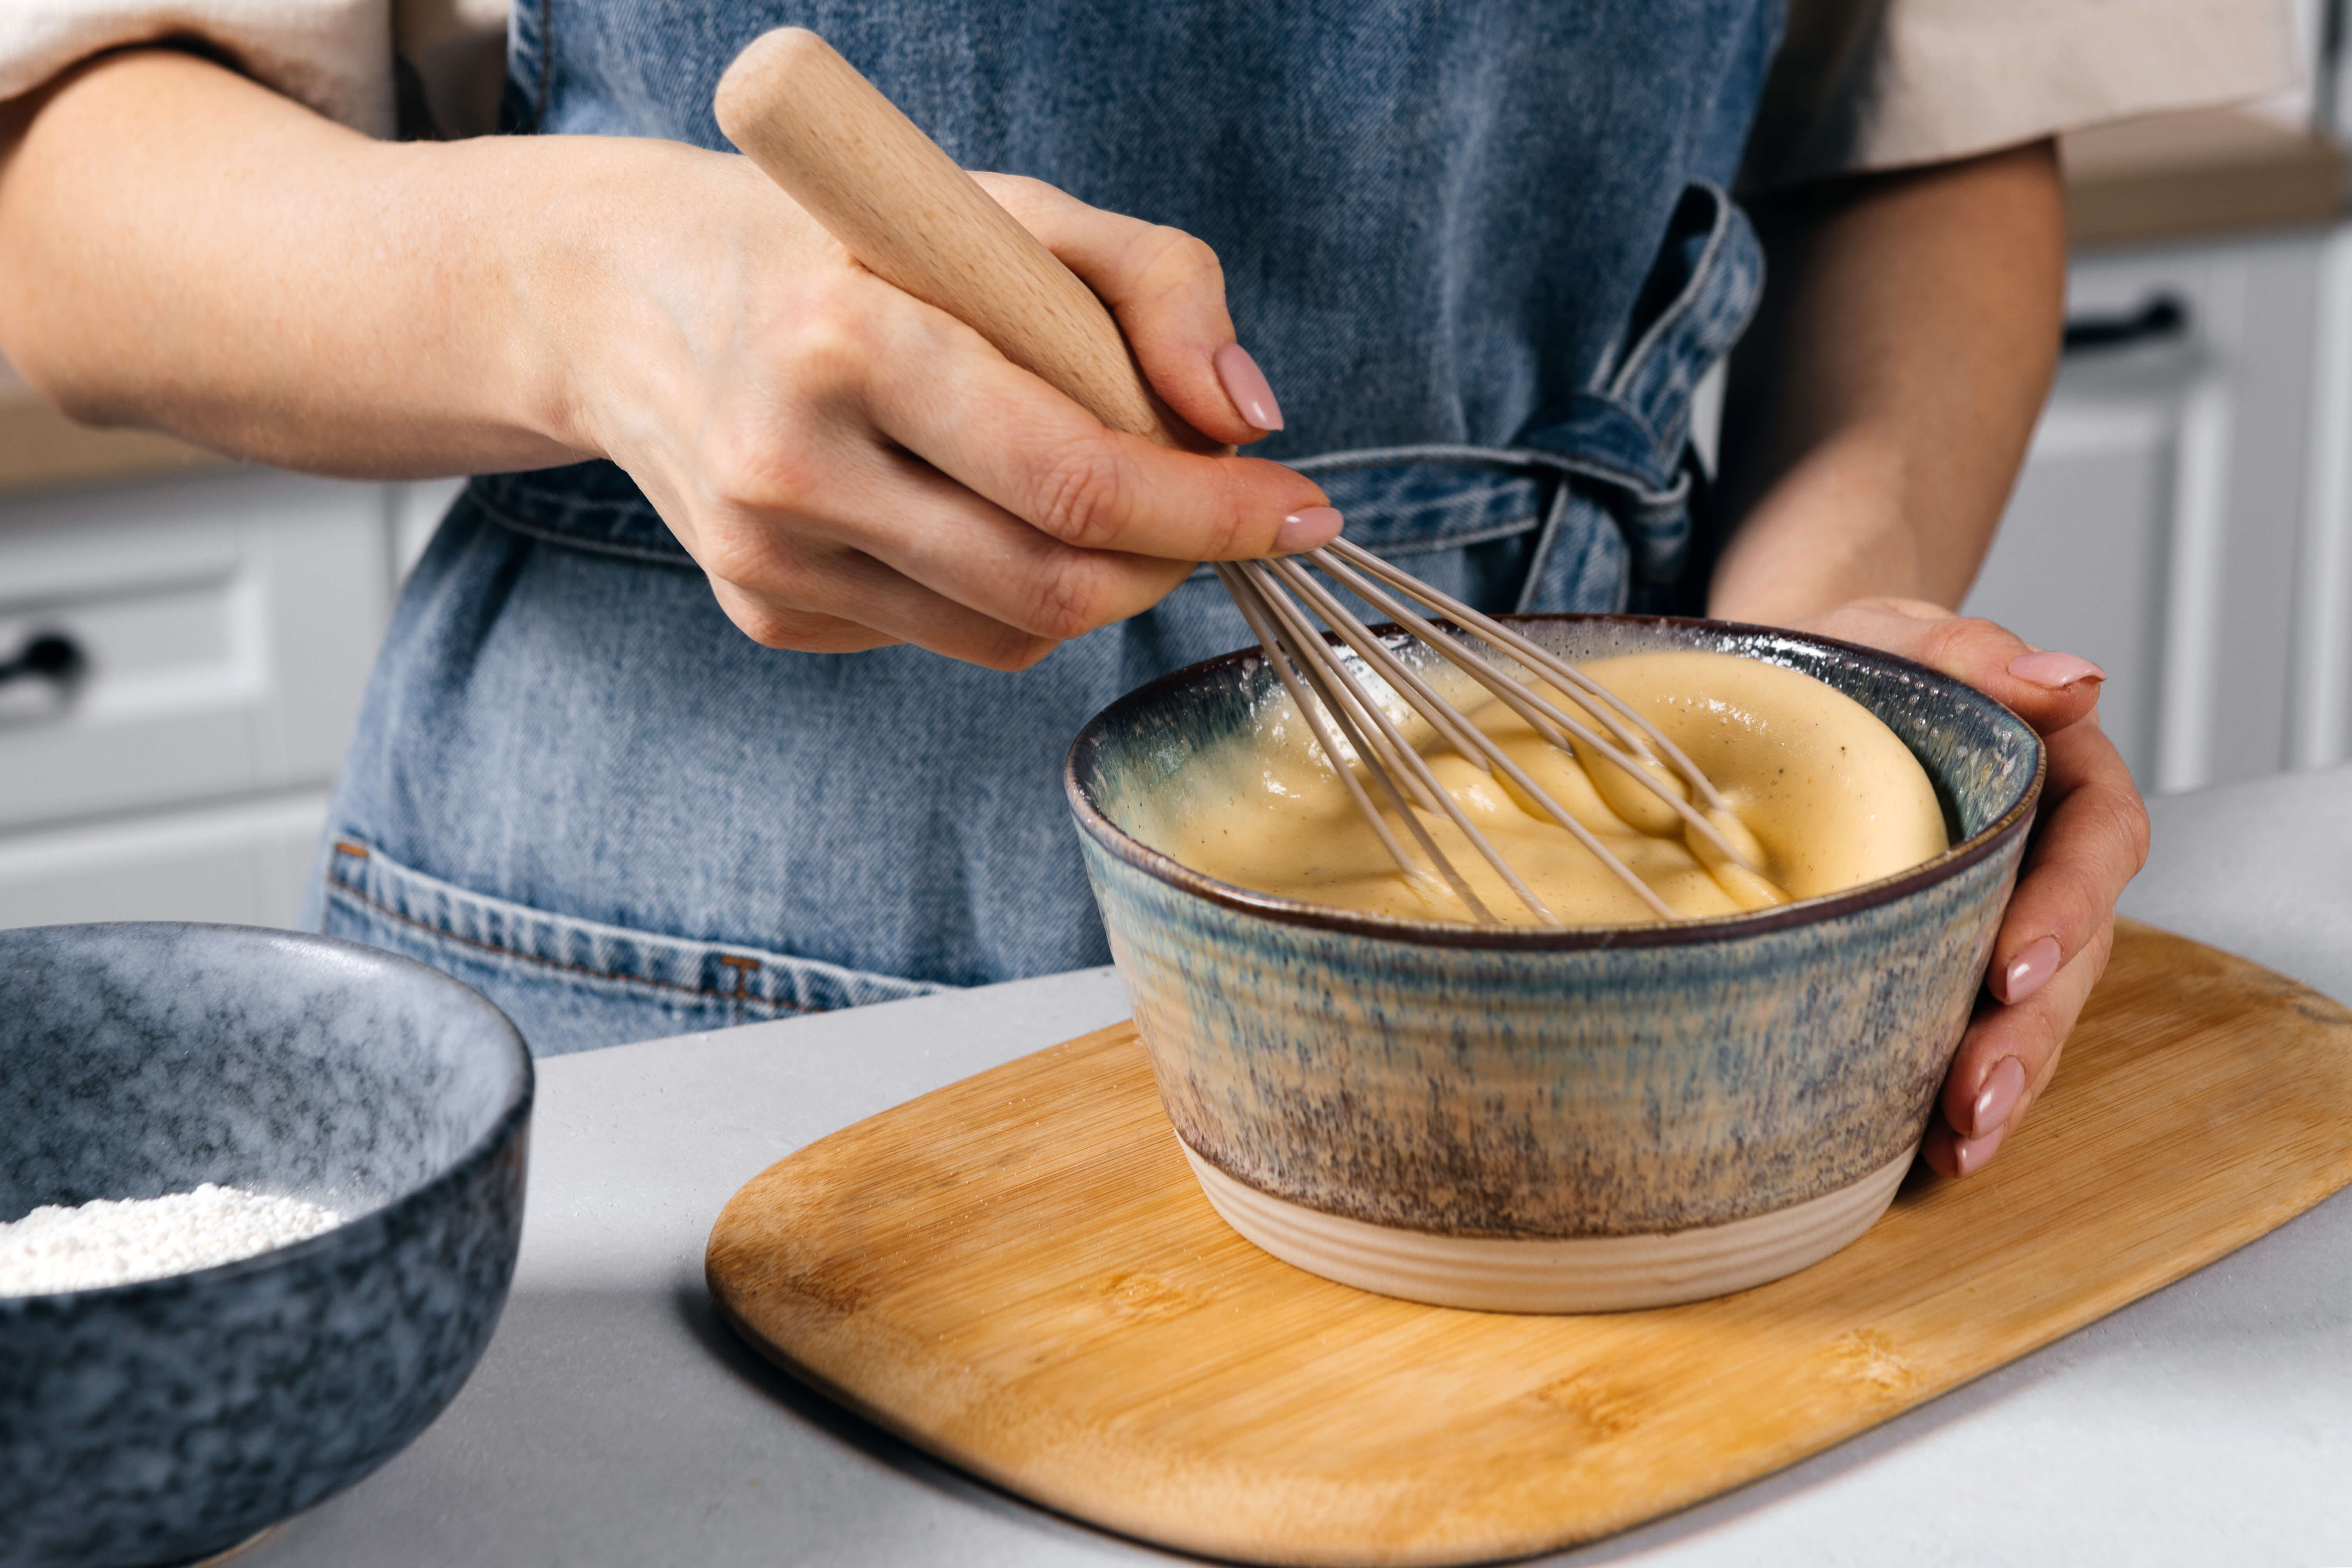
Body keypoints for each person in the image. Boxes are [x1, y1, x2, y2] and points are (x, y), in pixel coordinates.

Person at [0, 0, 2277, 1177]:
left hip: (1608, 967)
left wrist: (1815, 654)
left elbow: (1919, 126)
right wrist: (590, 288)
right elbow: (63, 184)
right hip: (677, 985)